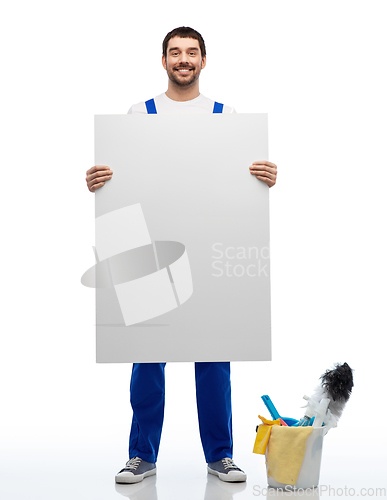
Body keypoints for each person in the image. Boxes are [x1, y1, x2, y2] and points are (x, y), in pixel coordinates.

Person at [86, 26, 277, 484]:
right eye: (175, 53)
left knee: (214, 354)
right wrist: (99, 182)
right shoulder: (139, 114)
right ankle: (141, 455)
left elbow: (234, 182)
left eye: (192, 53)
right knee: (147, 354)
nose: (184, 60)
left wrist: (264, 178)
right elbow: (124, 180)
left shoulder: (225, 115)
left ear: (204, 61)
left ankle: (221, 455)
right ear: (164, 61)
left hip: (209, 243)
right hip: (154, 246)